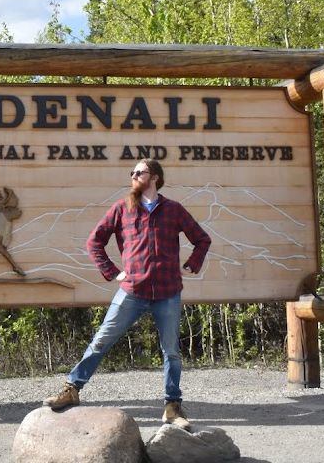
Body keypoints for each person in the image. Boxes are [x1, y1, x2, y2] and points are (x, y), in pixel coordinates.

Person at [43, 158, 211, 429]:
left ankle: (172, 407)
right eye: (132, 172)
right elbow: (94, 242)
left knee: (171, 352)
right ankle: (72, 389)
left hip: (168, 291)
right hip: (132, 291)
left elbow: (202, 239)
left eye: (139, 172)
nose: (134, 175)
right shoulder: (122, 208)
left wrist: (192, 263)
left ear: (154, 177)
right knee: (101, 341)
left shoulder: (173, 210)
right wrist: (112, 271)